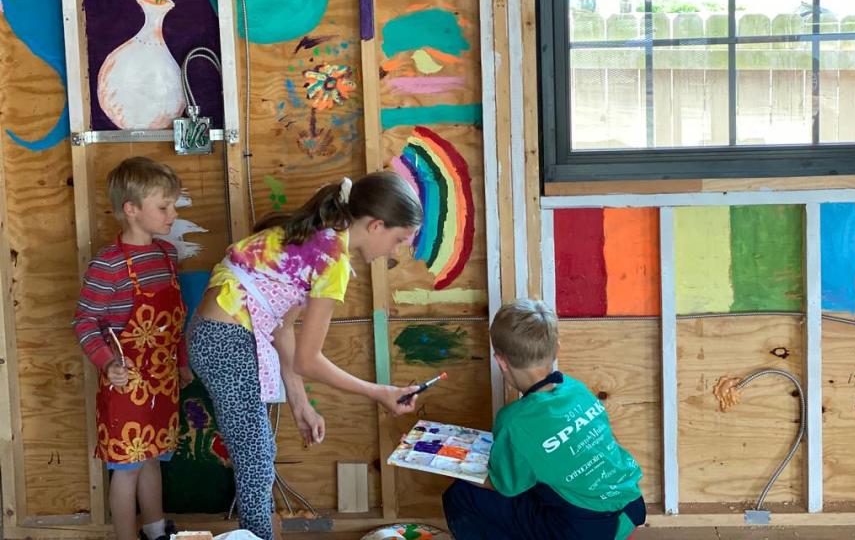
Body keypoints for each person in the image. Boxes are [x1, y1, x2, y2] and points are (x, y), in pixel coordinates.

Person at [188, 171, 424, 540]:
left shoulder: (319, 236)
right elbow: (309, 360)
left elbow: (282, 327)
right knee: (256, 464)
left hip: (215, 336)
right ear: (376, 225)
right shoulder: (333, 261)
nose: (395, 252)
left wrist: (300, 404)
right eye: (398, 240)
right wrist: (380, 392)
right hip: (226, 341)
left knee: (258, 459)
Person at [442, 299, 646, 539]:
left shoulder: (513, 420)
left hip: (587, 528)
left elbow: (502, 486)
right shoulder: (575, 389)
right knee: (539, 483)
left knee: (461, 495)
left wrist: (446, 462)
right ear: (557, 347)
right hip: (631, 506)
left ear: (501, 361)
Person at [73, 157, 192, 540]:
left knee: (153, 457)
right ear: (131, 209)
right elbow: (85, 322)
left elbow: (176, 323)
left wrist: (182, 362)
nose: (172, 213)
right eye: (164, 206)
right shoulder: (107, 265)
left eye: (173, 205)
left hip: (163, 381)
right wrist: (107, 365)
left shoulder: (166, 256)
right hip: (125, 386)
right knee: (127, 467)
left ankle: (156, 532)